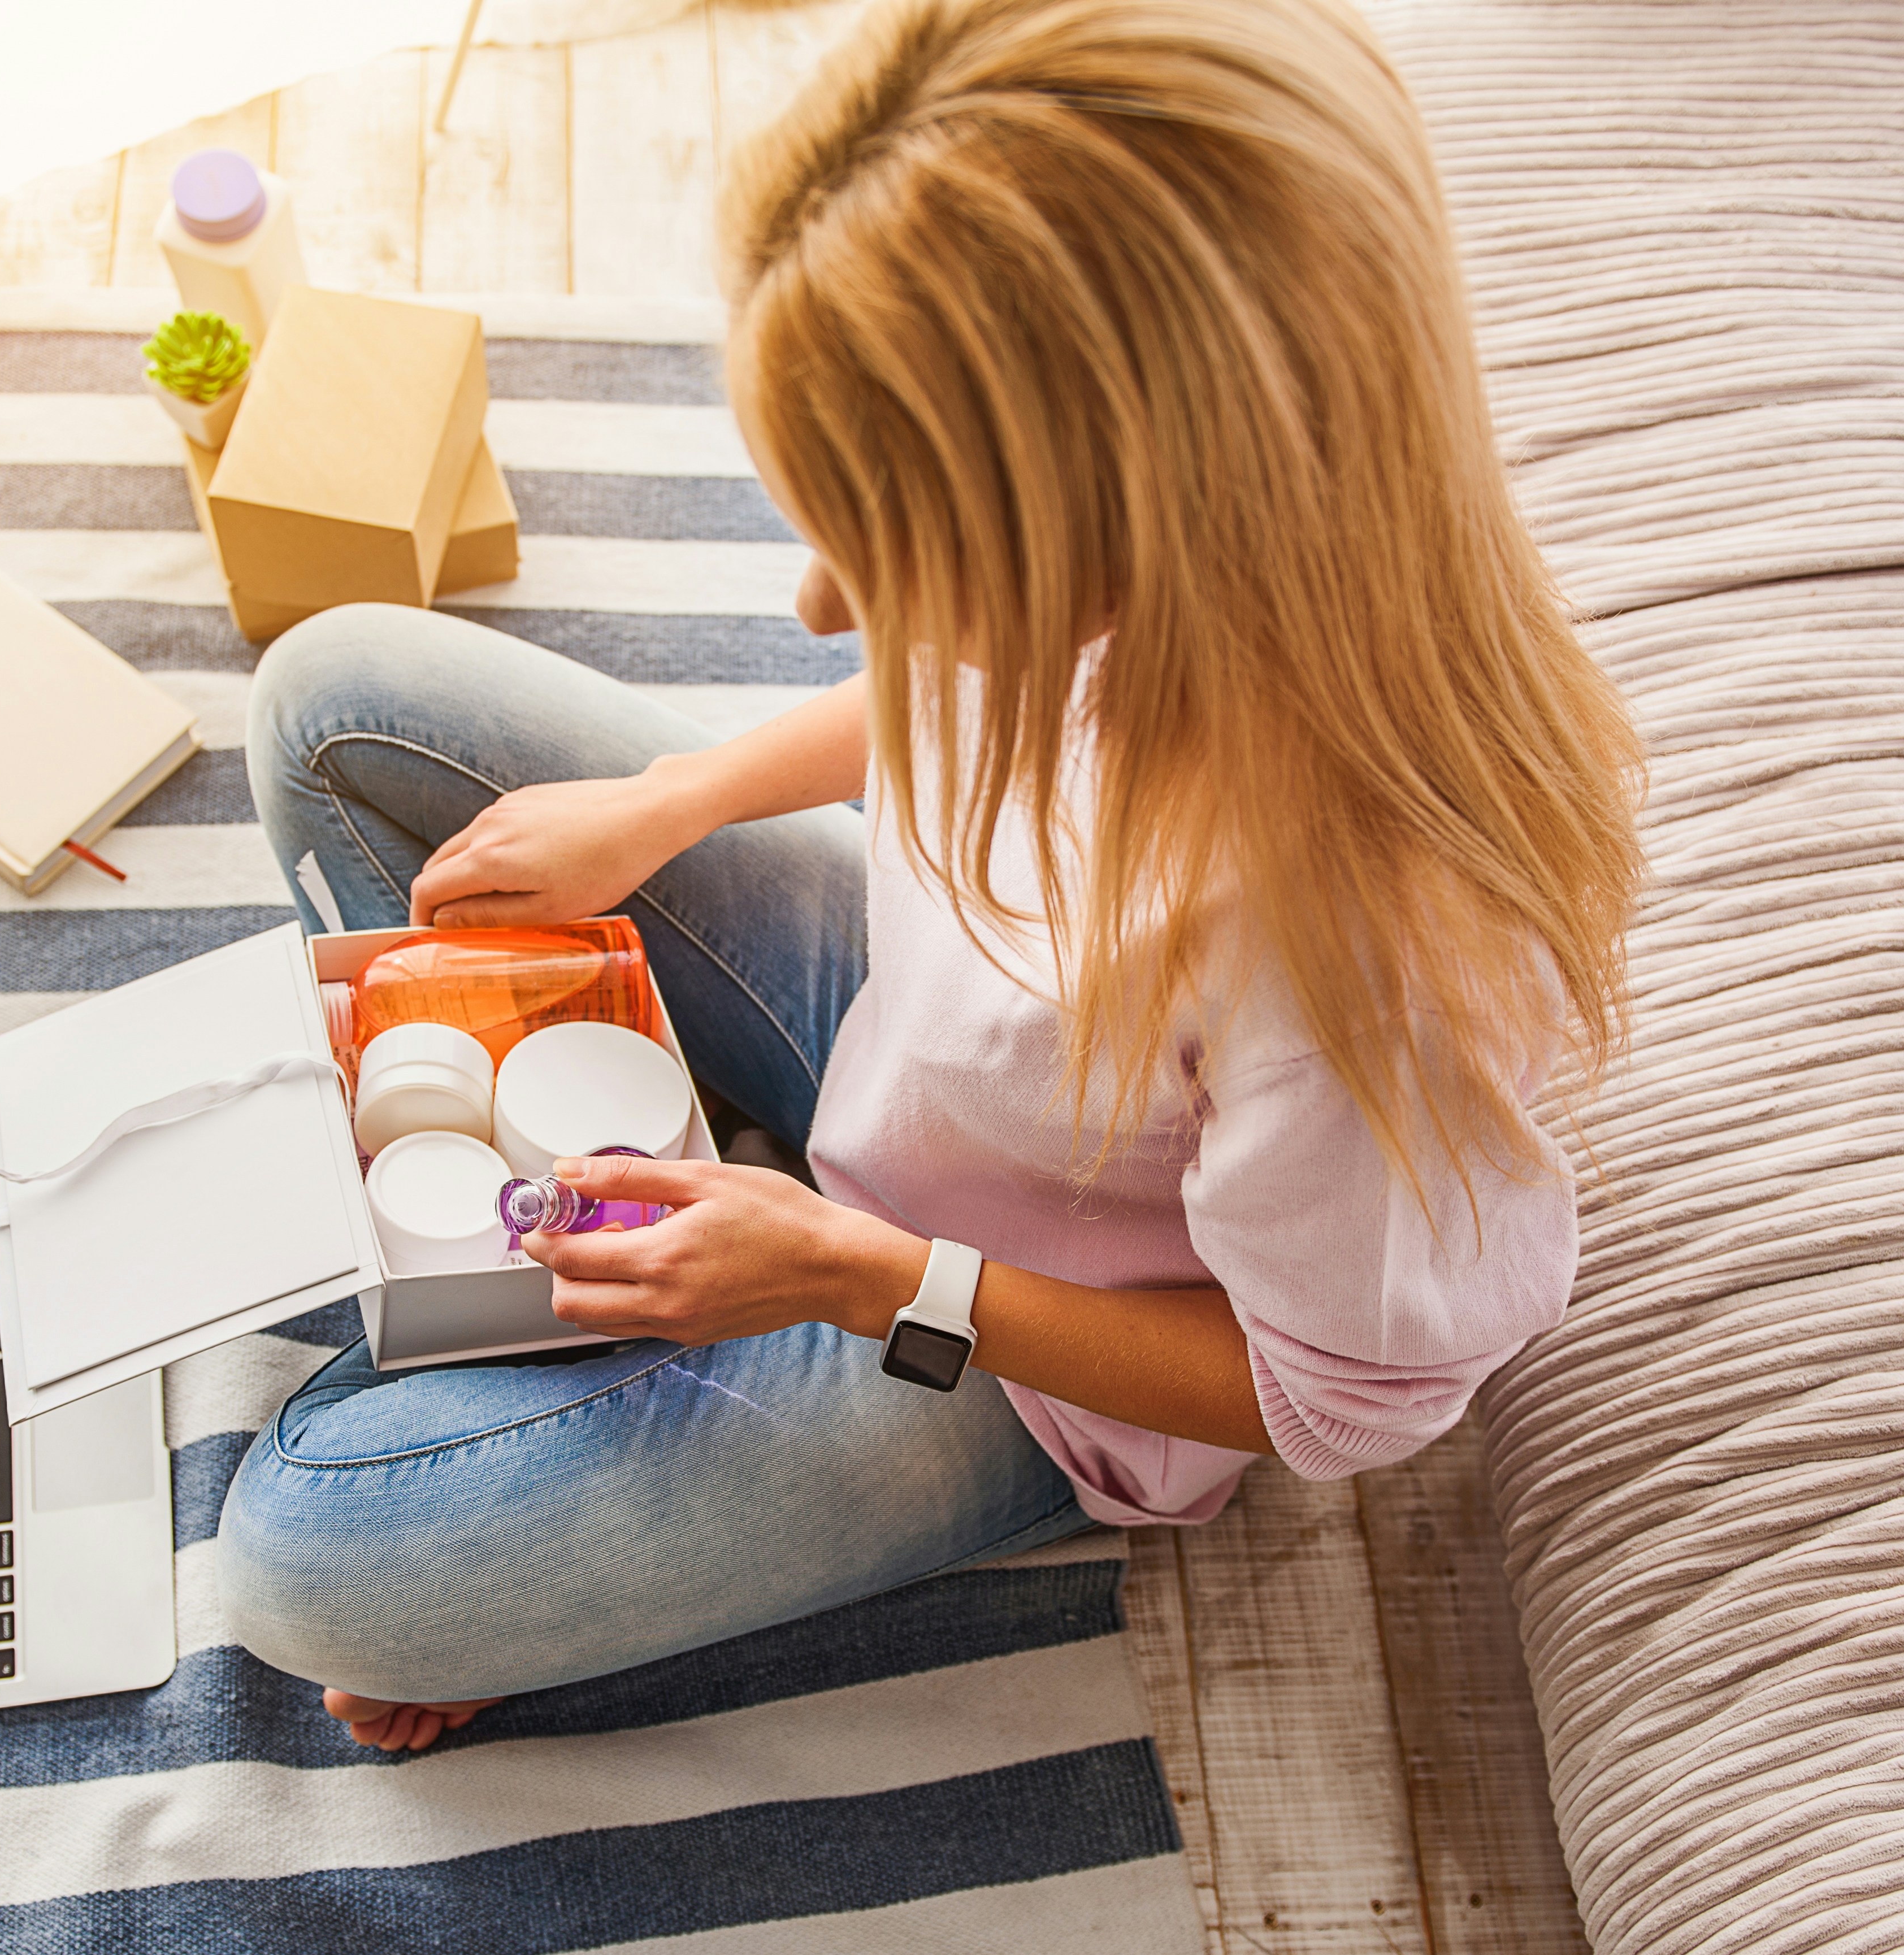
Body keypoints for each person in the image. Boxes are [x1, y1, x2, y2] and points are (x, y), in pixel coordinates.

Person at [223, 0, 1643, 1750]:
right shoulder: (1192, 557)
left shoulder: (1356, 943)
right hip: (933, 1051)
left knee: (298, 1563)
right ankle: (617, 1321)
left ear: (1109, 533)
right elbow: (943, 698)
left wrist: (853, 1277)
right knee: (331, 703)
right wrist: (669, 800)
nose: (821, 609)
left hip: (1019, 1351)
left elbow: (1338, 1401)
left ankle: (603, 1378)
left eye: (888, 554)